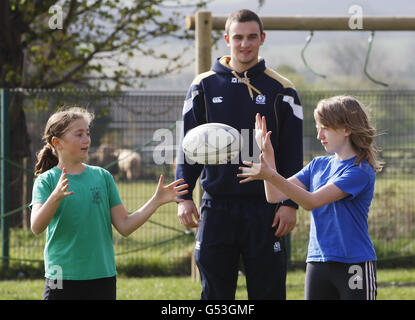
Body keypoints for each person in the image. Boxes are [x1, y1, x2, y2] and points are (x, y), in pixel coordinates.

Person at [175, 9, 303, 300]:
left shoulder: (282, 89)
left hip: (266, 209)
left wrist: (289, 202)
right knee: (216, 294)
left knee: (268, 292)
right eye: (238, 37)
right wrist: (184, 197)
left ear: (262, 39)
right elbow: (189, 148)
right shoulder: (203, 85)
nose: (245, 44)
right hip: (216, 206)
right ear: (226, 39)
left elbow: (292, 152)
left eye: (251, 37)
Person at [31, 106, 188, 300]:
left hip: (102, 276)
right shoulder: (46, 181)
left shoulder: (102, 177)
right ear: (57, 142)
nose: (86, 139)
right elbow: (36, 226)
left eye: (87, 133)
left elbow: (125, 226)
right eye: (79, 134)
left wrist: (155, 201)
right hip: (61, 276)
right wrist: (55, 197)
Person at [238, 95, 383, 300]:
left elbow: (311, 201)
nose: (319, 135)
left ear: (346, 129)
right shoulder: (318, 165)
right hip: (317, 261)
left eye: (325, 127)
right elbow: (275, 195)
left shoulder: (359, 171)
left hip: (354, 263)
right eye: (317, 127)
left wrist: (270, 174)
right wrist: (267, 153)